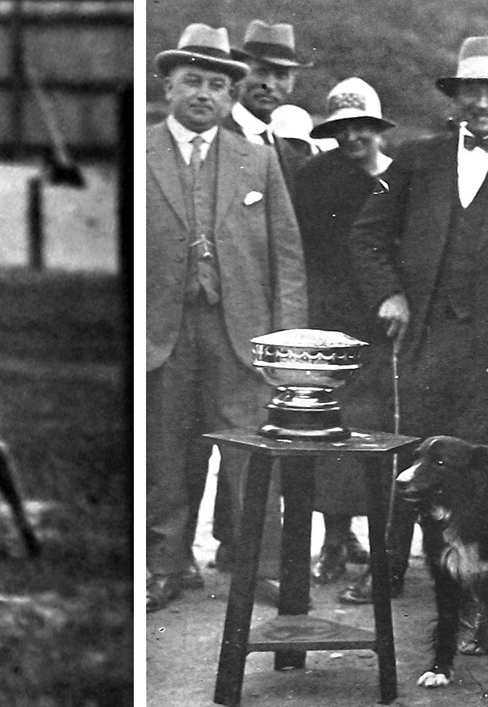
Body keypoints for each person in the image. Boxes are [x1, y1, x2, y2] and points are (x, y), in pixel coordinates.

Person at [345, 36, 488, 609]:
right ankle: (389, 568)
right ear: (456, 98)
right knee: (410, 461)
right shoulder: (418, 160)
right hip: (422, 344)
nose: (482, 103)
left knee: (480, 470)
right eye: (472, 91)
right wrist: (390, 295)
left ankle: (477, 584)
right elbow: (367, 235)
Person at [144, 23, 306, 613]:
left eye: (218, 85)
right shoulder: (140, 154)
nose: (204, 95)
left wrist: (288, 344)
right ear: (167, 86)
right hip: (161, 330)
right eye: (192, 81)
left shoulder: (257, 161)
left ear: (231, 96)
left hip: (242, 333)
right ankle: (164, 566)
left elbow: (285, 255)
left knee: (252, 448)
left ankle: (264, 567)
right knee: (164, 449)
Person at [290, 77, 393, 585]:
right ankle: (333, 536)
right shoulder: (313, 177)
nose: (353, 137)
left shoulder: (403, 177)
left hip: (381, 325)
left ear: (378, 128)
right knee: (328, 433)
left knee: (374, 432)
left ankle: (382, 543)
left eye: (363, 127)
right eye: (343, 128)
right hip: (327, 323)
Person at [228, 21, 317, 179]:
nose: (269, 85)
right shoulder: (213, 136)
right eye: (261, 72)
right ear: (239, 76)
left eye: (281, 75)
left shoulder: (289, 155)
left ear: (291, 84)